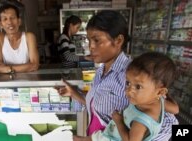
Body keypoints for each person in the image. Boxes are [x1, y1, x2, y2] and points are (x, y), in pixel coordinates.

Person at [56, 10, 179, 141]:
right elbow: (97, 105)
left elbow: (168, 123)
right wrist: (73, 93)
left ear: (118, 40)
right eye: (89, 40)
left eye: (97, 40)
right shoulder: (101, 71)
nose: (90, 46)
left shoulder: (135, 77)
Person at [74, 52, 179, 141]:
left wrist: (118, 121)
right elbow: (176, 109)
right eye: (128, 83)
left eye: (138, 86)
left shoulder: (141, 120)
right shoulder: (159, 101)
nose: (129, 90)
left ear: (160, 92)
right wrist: (164, 94)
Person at [0, 3, 39, 73]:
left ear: (19, 21)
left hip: (29, 80)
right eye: (5, 19)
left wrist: (8, 69)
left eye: (12, 18)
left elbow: (34, 65)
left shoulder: (29, 37)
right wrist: (26, 67)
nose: (9, 22)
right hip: (6, 82)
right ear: (0, 24)